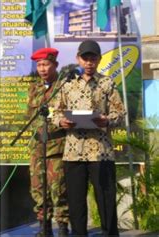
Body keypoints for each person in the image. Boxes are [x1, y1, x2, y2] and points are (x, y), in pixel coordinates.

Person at [53, 40, 125, 236]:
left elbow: (120, 114)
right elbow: (55, 112)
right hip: (73, 152)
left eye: (93, 58)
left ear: (99, 60)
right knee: (76, 201)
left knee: (106, 199)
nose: (89, 63)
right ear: (78, 59)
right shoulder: (67, 85)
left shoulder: (107, 83)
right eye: (85, 58)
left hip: (101, 152)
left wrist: (107, 120)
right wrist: (61, 122)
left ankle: (109, 233)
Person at [28, 48, 69, 236]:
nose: (42, 69)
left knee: (59, 189)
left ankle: (62, 228)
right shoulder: (34, 88)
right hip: (38, 147)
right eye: (39, 65)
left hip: (57, 146)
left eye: (46, 64)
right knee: (38, 188)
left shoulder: (65, 87)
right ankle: (44, 228)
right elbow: (29, 115)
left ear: (55, 65)